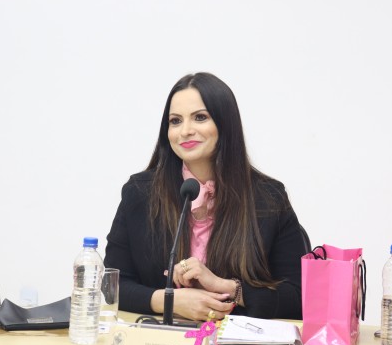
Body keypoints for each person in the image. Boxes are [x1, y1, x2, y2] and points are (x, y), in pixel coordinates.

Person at [104, 73, 306, 321]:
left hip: (240, 342)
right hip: (161, 340)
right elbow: (113, 285)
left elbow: (299, 296)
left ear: (225, 123)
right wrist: (170, 301)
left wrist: (227, 287)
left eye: (200, 117)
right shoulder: (140, 192)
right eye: (175, 121)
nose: (185, 131)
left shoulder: (269, 197)